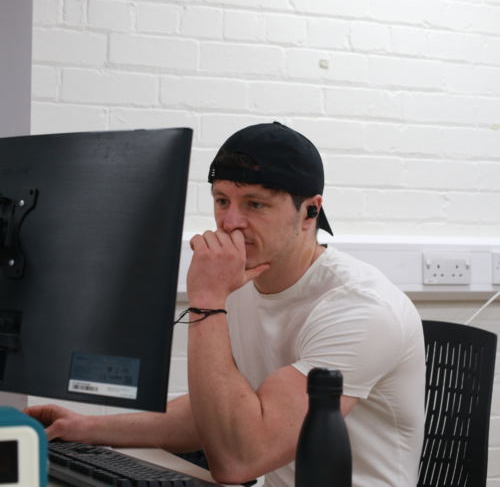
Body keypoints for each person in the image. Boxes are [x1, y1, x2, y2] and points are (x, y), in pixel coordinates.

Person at [25, 122, 425, 487]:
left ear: (310, 212)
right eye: (221, 200)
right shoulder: (244, 286)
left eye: (255, 204)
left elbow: (239, 459)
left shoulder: (359, 309)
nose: (230, 222)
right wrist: (86, 428)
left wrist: (207, 301)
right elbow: (218, 416)